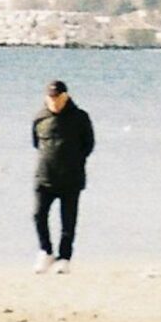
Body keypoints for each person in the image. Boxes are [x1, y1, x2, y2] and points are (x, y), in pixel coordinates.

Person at [30, 78, 96, 274]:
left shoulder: (80, 117)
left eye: (57, 97)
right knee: (38, 215)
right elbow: (36, 143)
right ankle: (46, 251)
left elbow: (88, 145)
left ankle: (64, 258)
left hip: (71, 178)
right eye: (51, 97)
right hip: (44, 176)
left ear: (65, 97)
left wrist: (73, 161)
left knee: (68, 220)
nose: (54, 101)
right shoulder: (39, 117)